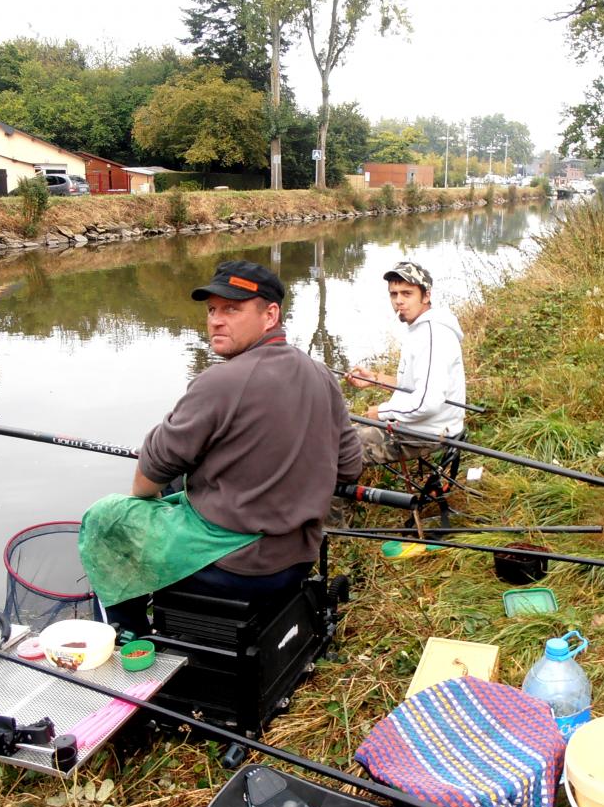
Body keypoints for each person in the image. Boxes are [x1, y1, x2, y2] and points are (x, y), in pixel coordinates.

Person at [78, 260, 363, 635]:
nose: (215, 320)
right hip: (297, 558)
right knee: (177, 491)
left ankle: (128, 639)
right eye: (212, 309)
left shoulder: (220, 382)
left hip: (239, 567)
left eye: (232, 309)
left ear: (270, 314)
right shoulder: (321, 374)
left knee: (106, 520)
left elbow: (145, 484)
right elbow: (349, 467)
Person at [346, 261, 467, 464]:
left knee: (334, 449)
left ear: (426, 295)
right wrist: (375, 379)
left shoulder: (432, 336)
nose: (399, 301)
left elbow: (427, 402)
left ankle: (333, 494)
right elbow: (415, 386)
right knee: (336, 435)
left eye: (407, 293)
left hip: (423, 434)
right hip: (417, 425)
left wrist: (382, 412)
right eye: (394, 294)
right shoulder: (420, 328)